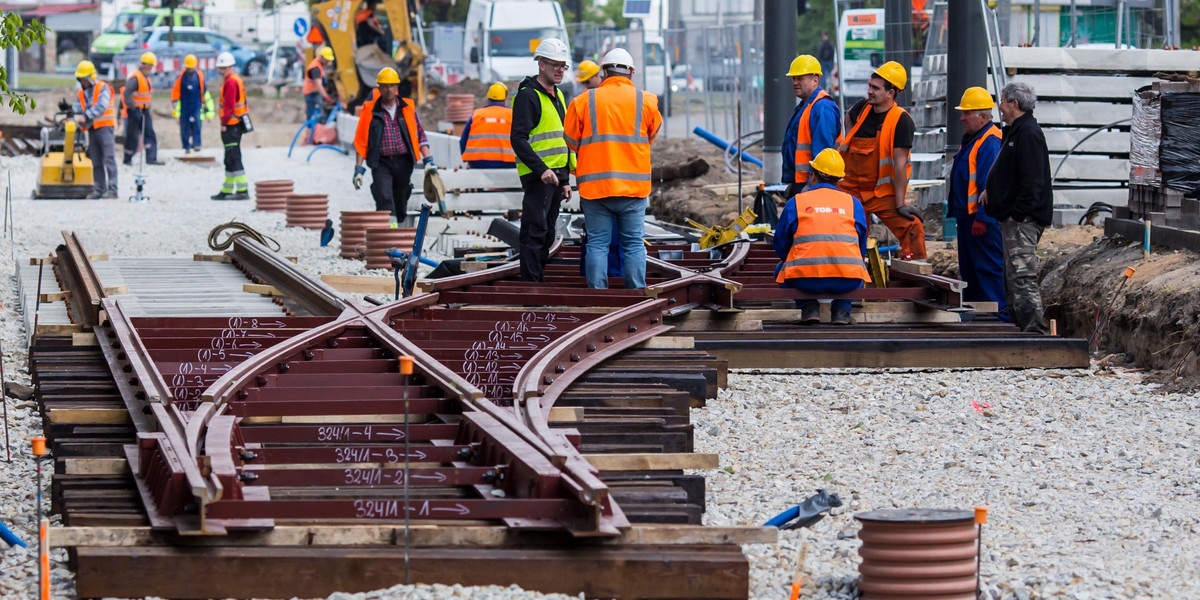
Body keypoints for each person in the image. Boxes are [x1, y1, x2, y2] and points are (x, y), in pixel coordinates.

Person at [564, 47, 662, 290]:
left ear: (604, 72)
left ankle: (598, 295)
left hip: (595, 188)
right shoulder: (646, 100)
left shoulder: (584, 101)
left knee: (597, 244)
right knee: (634, 244)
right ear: (631, 72)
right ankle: (636, 295)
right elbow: (651, 134)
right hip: (633, 187)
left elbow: (571, 140)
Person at [836, 61, 926, 259]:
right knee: (842, 229)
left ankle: (917, 268)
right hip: (850, 188)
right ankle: (852, 265)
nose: (869, 91)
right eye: (869, 86)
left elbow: (900, 165)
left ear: (890, 93)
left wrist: (900, 203)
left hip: (879, 193)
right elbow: (849, 115)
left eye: (875, 88)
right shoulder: (862, 108)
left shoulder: (901, 121)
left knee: (912, 226)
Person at [983, 82, 1053, 334]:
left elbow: (1033, 180)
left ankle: (1034, 330)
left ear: (1014, 104)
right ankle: (1021, 326)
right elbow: (1009, 172)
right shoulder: (1015, 132)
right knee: (1012, 275)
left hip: (1023, 219)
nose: (999, 107)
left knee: (1022, 276)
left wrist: (1019, 214)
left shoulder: (1028, 134)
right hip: (1015, 217)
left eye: (1002, 101)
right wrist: (991, 191)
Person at [774, 149, 870, 325]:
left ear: (812, 175)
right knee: (858, 266)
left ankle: (809, 307)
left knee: (780, 268)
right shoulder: (853, 203)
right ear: (839, 179)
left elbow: (780, 245)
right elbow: (861, 249)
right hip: (847, 281)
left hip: (805, 281)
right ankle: (842, 310)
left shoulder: (796, 202)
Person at [511, 38, 576, 283]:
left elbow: (563, 139)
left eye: (563, 66)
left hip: (555, 176)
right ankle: (532, 287)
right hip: (539, 177)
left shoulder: (557, 94)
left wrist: (565, 178)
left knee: (547, 233)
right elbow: (518, 139)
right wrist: (541, 170)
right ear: (541, 64)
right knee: (535, 232)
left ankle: (538, 281)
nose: (560, 70)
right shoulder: (528, 96)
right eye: (555, 65)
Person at [949, 86, 1007, 319]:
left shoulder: (990, 142)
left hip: (981, 221)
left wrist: (983, 217)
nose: (961, 117)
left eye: (967, 113)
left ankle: (1000, 317)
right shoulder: (975, 139)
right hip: (968, 219)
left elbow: (990, 185)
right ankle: (977, 316)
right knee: (971, 271)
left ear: (983, 116)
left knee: (988, 270)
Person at [352, 67, 436, 224]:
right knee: (384, 196)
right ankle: (389, 235)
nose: (389, 89)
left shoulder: (407, 108)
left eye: (392, 85)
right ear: (379, 88)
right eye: (385, 86)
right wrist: (358, 170)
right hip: (381, 162)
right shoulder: (370, 111)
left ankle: (399, 230)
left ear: (397, 87)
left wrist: (428, 160)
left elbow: (420, 135)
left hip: (404, 162)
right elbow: (361, 141)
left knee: (401, 197)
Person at [781, 54, 841, 198]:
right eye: (794, 78)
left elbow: (822, 153)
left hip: (814, 185)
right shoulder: (807, 106)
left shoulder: (822, 108)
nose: (795, 82)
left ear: (815, 80)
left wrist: (811, 186)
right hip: (803, 182)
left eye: (800, 78)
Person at [71, 60, 118, 199]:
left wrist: (86, 115)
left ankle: (113, 189)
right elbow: (78, 107)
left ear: (91, 78)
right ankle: (99, 189)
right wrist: (69, 108)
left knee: (109, 158)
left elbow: (101, 106)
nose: (83, 82)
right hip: (92, 129)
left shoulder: (103, 88)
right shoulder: (82, 93)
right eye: (81, 80)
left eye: (84, 79)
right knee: (96, 160)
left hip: (105, 127)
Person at [212, 52, 250, 200]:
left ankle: (242, 190)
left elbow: (229, 106)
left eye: (224, 68)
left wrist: (224, 123)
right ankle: (226, 190)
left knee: (233, 157)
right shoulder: (233, 80)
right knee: (229, 158)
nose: (222, 71)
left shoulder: (231, 82)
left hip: (232, 125)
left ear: (231, 67)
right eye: (220, 68)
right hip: (235, 124)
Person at [459, 82, 515, 169]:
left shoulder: (476, 114)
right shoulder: (512, 115)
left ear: (488, 98)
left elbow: (463, 140)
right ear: (505, 99)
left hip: (478, 162)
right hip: (507, 162)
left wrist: (466, 158)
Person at [122, 52, 163, 166]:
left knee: (149, 133)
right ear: (146, 65)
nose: (151, 68)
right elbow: (127, 94)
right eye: (150, 66)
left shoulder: (146, 78)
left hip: (144, 110)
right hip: (135, 110)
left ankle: (151, 157)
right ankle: (128, 157)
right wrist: (133, 107)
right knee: (132, 136)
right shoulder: (136, 78)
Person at [171, 54, 214, 154]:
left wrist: (209, 114)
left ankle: (197, 144)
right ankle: (186, 146)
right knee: (184, 127)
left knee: (197, 125)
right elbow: (176, 93)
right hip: (185, 106)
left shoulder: (199, 77)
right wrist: (176, 111)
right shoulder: (181, 77)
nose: (189, 70)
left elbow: (205, 94)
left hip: (196, 105)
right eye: (188, 68)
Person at [304, 46, 336, 121]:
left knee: (319, 113)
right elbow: (319, 86)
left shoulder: (320, 64)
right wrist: (327, 97)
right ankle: (310, 130)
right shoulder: (315, 68)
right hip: (311, 94)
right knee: (312, 114)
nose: (328, 62)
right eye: (327, 60)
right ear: (321, 57)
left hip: (315, 93)